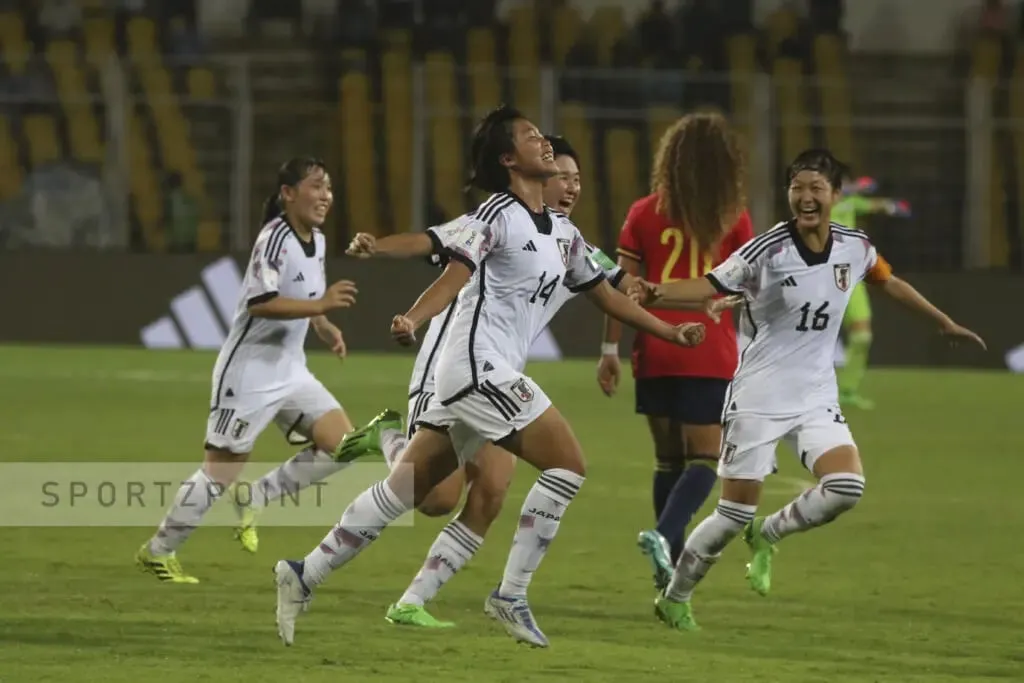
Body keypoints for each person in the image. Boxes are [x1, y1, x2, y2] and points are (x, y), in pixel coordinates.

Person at [271, 105, 707, 649]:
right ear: (509, 159)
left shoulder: (565, 235)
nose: (543, 142)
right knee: (568, 465)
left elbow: (608, 295)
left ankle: (302, 573)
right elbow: (453, 269)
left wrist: (670, 332)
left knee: (410, 491)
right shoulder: (496, 215)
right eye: (530, 137)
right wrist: (413, 315)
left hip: (485, 374)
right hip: (477, 368)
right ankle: (510, 594)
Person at [633, 148, 984, 632]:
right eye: (797, 187)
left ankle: (769, 534)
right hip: (758, 395)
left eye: (816, 187)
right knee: (732, 514)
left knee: (846, 487)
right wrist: (656, 292)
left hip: (815, 395)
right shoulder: (768, 249)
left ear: (835, 196)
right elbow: (710, 284)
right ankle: (676, 597)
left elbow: (889, 281)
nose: (805, 196)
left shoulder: (855, 247)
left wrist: (942, 322)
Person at [339, 134, 644, 630]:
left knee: (494, 490)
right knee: (436, 498)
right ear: (536, 175)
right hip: (452, 369)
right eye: (561, 175)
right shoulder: (493, 218)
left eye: (578, 180)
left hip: (499, 375)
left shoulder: (571, 241)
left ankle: (413, 601)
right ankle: (389, 436)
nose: (570, 187)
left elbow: (619, 285)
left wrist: (654, 297)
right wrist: (378, 247)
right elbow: (430, 241)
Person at [134, 157, 368, 583]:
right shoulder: (274, 237)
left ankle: (258, 496)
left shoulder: (315, 238)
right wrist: (320, 306)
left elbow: (307, 293)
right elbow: (262, 301)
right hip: (248, 374)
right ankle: (158, 551)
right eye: (316, 186)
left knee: (344, 446)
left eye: (329, 188)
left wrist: (322, 324)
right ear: (288, 194)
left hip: (291, 369)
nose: (325, 196)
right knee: (220, 471)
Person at [597, 111, 751, 590]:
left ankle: (669, 569)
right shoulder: (734, 218)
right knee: (706, 459)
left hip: (655, 349)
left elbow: (619, 288)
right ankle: (665, 535)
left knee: (668, 460)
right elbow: (747, 287)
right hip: (710, 351)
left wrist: (608, 350)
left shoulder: (643, 213)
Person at [831, 170, 912, 410]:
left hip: (851, 274)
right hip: (821, 276)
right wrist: (856, 187)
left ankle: (847, 390)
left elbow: (872, 204)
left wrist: (892, 206)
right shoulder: (820, 203)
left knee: (862, 336)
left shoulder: (851, 202)